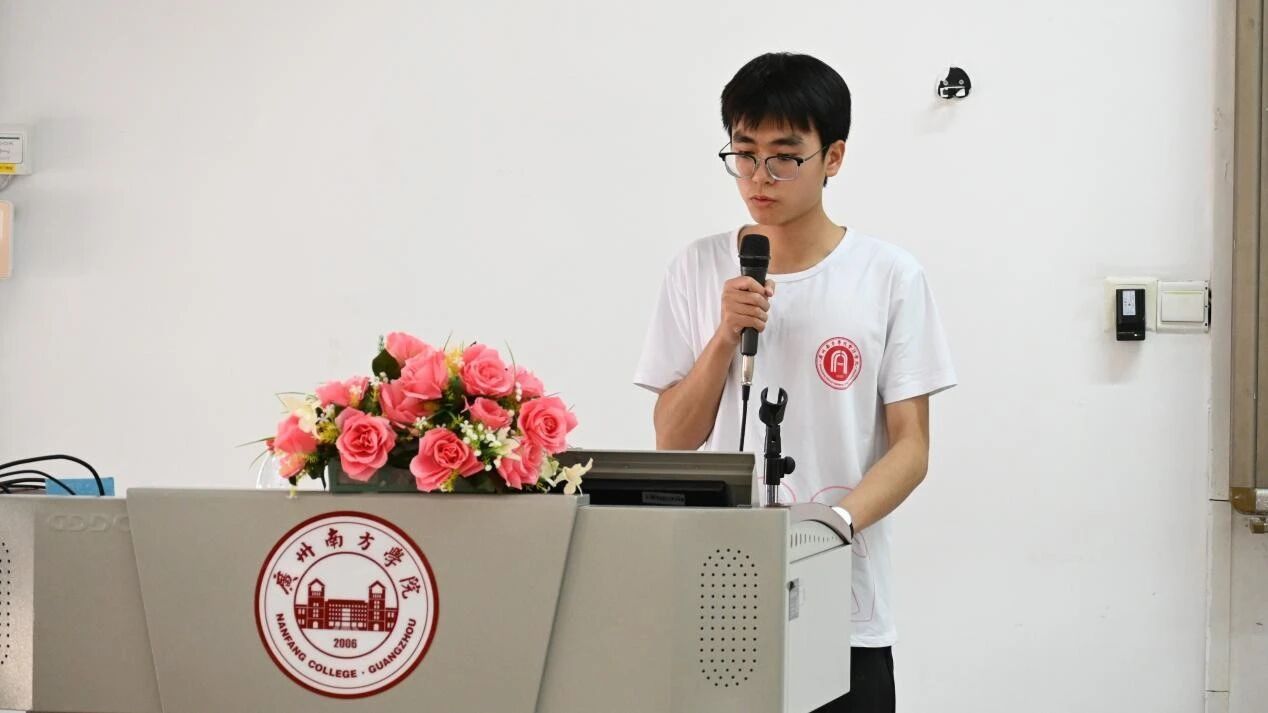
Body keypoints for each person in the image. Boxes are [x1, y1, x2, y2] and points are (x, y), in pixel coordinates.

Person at [633, 52, 957, 713]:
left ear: (832, 157)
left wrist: (828, 529)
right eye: (744, 154)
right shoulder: (695, 268)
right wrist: (724, 336)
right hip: (716, 604)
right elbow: (673, 438)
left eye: (784, 157)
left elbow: (912, 448)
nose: (760, 176)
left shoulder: (888, 276)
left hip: (843, 610)